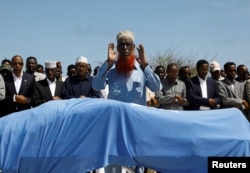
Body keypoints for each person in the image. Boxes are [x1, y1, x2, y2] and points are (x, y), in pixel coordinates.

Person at [92, 30, 162, 173]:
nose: (125, 47)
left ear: (133, 47)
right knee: (114, 164)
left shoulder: (142, 71)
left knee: (137, 164)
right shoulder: (111, 72)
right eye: (121, 45)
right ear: (117, 48)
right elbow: (96, 86)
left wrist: (146, 66)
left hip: (136, 125)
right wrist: (108, 63)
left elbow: (157, 87)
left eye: (128, 44)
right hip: (116, 126)